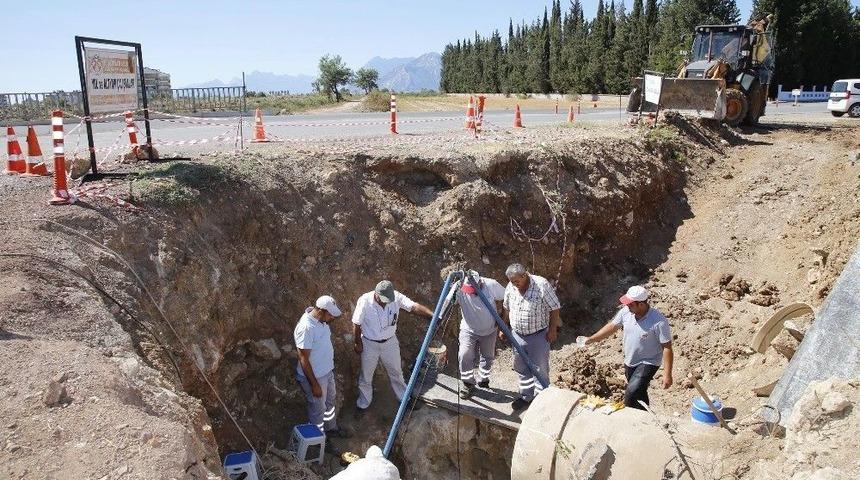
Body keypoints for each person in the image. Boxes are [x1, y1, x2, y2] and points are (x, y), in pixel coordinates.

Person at [583, 285, 674, 410]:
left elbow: (667, 348)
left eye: (630, 304)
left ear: (641, 304)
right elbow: (612, 327)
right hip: (630, 360)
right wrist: (592, 339)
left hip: (649, 362)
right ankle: (645, 415)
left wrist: (667, 374)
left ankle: (631, 415)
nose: (627, 306)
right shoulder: (626, 312)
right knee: (639, 391)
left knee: (631, 392)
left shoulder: (659, 321)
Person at [352, 280, 434, 413]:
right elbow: (356, 323)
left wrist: (432, 315)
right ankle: (363, 404)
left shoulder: (395, 296)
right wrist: (357, 342)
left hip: (390, 343)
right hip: (369, 343)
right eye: (383, 300)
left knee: (396, 372)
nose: (386, 303)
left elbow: (413, 306)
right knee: (366, 376)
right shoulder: (365, 301)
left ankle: (404, 399)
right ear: (376, 294)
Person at [501, 263, 561, 411]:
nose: (514, 284)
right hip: (517, 335)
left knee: (540, 368)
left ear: (524, 275)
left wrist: (552, 329)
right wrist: (504, 326)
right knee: (521, 367)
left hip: (538, 336)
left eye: (517, 281)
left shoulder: (541, 285)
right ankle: (526, 396)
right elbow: (506, 307)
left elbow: (555, 308)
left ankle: (542, 400)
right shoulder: (511, 286)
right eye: (512, 282)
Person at [294, 295, 350, 447]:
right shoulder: (306, 328)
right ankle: (319, 441)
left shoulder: (322, 321)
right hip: (315, 377)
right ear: (321, 311)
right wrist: (314, 385)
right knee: (317, 411)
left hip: (326, 372)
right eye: (330, 314)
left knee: (329, 403)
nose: (332, 318)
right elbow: (303, 359)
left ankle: (331, 429)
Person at [457, 271, 506, 399]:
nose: (470, 293)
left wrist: (503, 317)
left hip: (489, 330)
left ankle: (483, 379)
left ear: (480, 283)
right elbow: (447, 301)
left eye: (472, 290)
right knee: (464, 354)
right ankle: (468, 384)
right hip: (469, 329)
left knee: (488, 356)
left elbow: (507, 296)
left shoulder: (491, 285)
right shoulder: (459, 288)